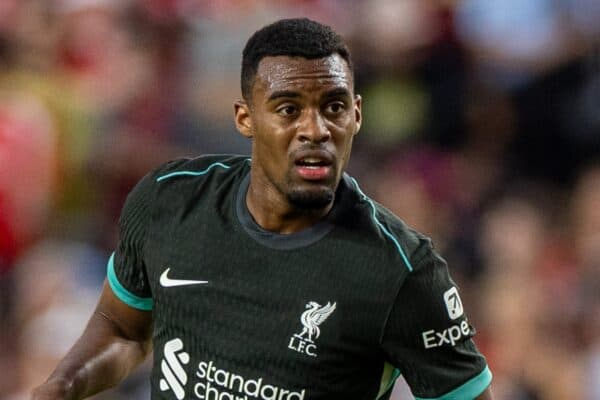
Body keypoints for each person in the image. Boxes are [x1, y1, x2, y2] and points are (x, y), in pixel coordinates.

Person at [32, 18, 493, 400]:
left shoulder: (402, 271)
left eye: (333, 107)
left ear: (356, 114)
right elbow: (123, 329)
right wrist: (62, 386)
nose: (316, 130)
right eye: (288, 109)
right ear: (245, 118)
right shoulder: (170, 200)